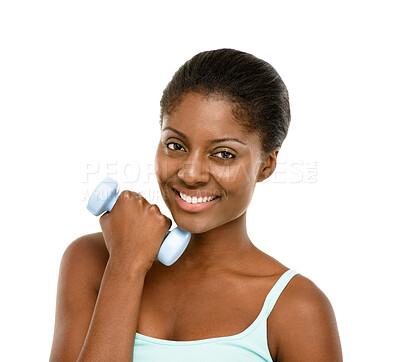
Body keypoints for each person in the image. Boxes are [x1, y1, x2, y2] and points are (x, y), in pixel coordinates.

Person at [49, 48, 342, 361]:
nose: (190, 174)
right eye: (175, 145)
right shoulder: (91, 260)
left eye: (224, 154)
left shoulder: (297, 308)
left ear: (266, 164)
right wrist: (125, 264)